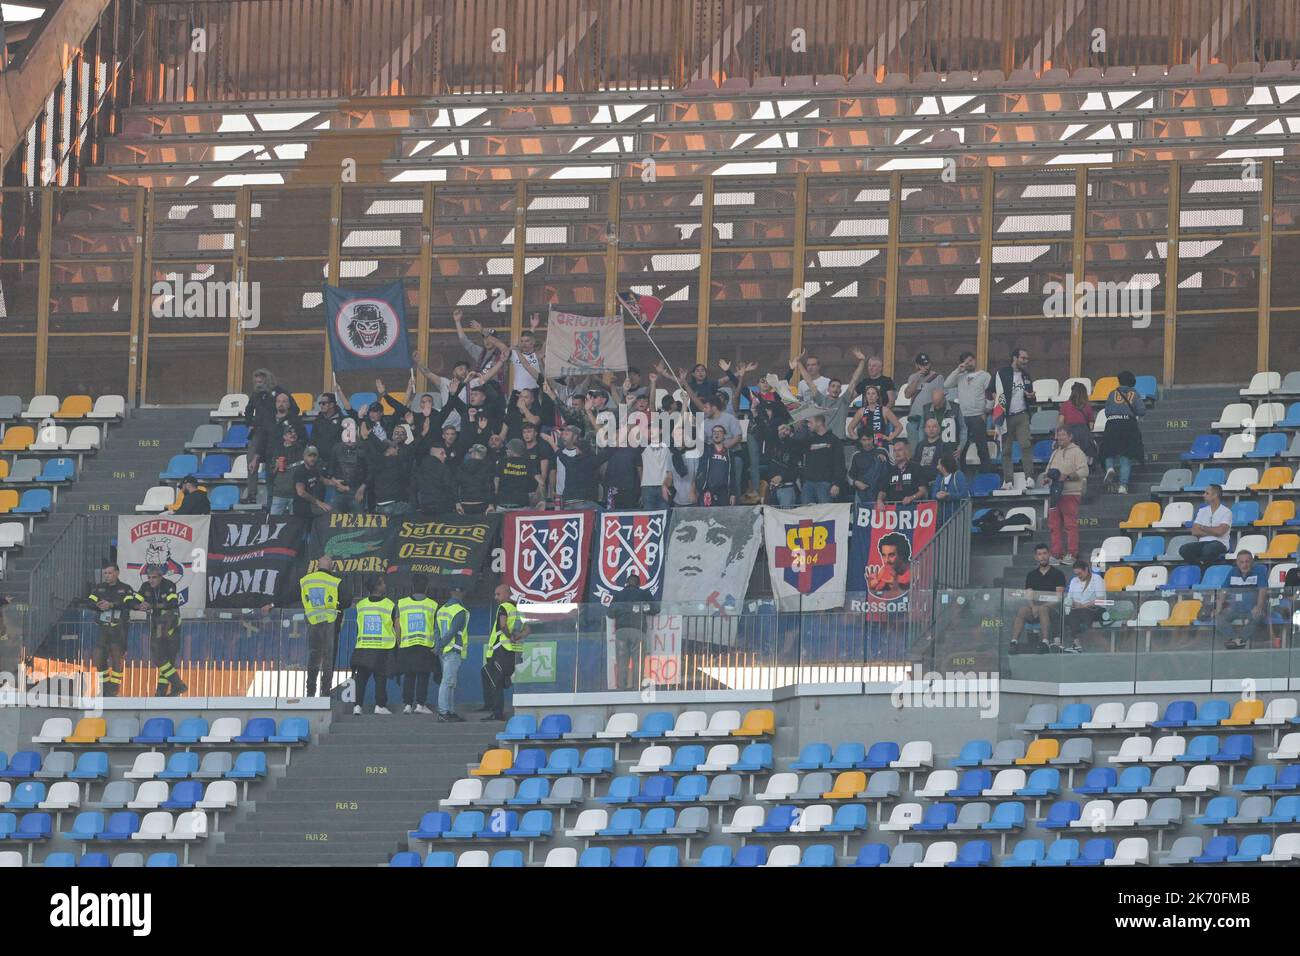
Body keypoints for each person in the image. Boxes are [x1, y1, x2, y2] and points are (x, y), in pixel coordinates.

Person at [87, 563, 142, 697]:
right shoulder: (99, 588)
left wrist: (111, 605)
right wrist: (99, 606)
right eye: (105, 573)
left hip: (119, 629)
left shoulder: (125, 588)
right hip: (103, 629)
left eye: (110, 573)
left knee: (117, 660)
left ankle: (114, 689)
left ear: (117, 573)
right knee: (99, 658)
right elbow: (89, 602)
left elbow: (129, 603)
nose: (107, 576)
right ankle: (105, 687)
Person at [299, 555, 347, 698]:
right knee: (328, 658)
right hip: (330, 623)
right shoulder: (335, 581)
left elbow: (293, 595)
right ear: (331, 566)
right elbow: (347, 599)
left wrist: (272, 604)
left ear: (317, 565)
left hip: (313, 623)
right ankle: (325, 693)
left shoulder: (305, 581)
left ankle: (310, 692)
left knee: (313, 658)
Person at [242, 369, 293, 503]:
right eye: (256, 382)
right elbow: (248, 410)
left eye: (261, 381)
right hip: (258, 431)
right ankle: (252, 495)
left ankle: (276, 495)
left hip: (275, 432)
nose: (258, 384)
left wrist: (283, 420)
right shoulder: (255, 394)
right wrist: (249, 423)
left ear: (267, 380)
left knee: (276, 463)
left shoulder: (279, 392)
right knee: (251, 462)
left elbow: (294, 408)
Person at [1042, 426, 1089, 565]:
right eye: (1059, 435)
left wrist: (1068, 476)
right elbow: (1048, 471)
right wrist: (1047, 478)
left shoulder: (1077, 452)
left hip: (1070, 493)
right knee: (1054, 525)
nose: (1060, 438)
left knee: (1070, 524)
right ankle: (1056, 554)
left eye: (1063, 435)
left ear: (1070, 437)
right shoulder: (1055, 453)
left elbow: (1085, 470)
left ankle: (1072, 554)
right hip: (1055, 493)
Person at [481, 584, 528, 721]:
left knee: (496, 681)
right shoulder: (519, 609)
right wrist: (518, 636)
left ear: (507, 593)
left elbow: (503, 625)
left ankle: (497, 713)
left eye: (498, 594)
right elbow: (528, 629)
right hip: (514, 653)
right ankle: (490, 705)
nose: (496, 597)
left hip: (502, 650)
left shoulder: (503, 607)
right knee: (485, 673)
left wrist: (510, 636)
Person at [137, 568, 187, 696]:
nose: (151, 580)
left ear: (161, 577)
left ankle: (166, 690)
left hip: (172, 626)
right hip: (156, 625)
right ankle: (173, 687)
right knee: (161, 659)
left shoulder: (169, 585)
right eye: (149, 577)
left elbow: (172, 603)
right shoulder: (145, 586)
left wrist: (151, 606)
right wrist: (139, 605)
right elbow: (136, 599)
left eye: (154, 577)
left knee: (164, 659)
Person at [1009, 544, 1067, 653]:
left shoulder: (1058, 574)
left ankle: (1045, 642)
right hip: (1035, 609)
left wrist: (1041, 606)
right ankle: (1014, 642)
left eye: (1045, 553)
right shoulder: (1031, 575)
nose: (1043, 556)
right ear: (1036, 557)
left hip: (1052, 609)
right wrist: (1032, 606)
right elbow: (1029, 595)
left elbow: (1059, 598)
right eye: (1039, 554)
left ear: (1049, 554)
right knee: (1022, 610)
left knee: (1042, 609)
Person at [396, 574, 440, 714]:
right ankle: (420, 705)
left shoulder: (402, 603)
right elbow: (436, 627)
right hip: (425, 646)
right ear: (426, 587)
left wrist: (399, 643)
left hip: (406, 644)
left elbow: (397, 626)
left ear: (412, 586)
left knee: (409, 675)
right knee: (423, 675)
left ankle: (407, 705)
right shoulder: (433, 605)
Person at [351, 577, 396, 715]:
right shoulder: (389, 604)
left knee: (361, 679)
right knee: (380, 678)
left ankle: (357, 706)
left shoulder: (361, 604)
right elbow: (396, 625)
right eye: (383, 583)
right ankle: (380, 706)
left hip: (363, 647)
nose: (385, 585)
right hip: (382, 647)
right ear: (378, 587)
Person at [993, 347, 1037, 489]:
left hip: (1022, 415)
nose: (1026, 361)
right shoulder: (1001, 373)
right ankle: (1008, 481)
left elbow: (1031, 398)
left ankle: (1029, 478)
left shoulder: (1026, 376)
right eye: (1023, 358)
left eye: (1027, 359)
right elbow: (990, 391)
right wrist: (997, 401)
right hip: (1005, 417)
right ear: (1014, 358)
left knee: (1026, 445)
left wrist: (1031, 397)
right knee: (1006, 450)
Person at [1099, 370, 1146, 495]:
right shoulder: (1134, 394)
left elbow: (1107, 411)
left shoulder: (1112, 393)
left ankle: (1109, 467)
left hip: (1112, 424)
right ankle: (1123, 486)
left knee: (1108, 450)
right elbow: (1141, 410)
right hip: (1128, 425)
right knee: (1126, 456)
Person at [946, 352, 993, 472]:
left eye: (971, 360)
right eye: (966, 362)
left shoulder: (984, 376)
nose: (970, 363)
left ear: (975, 360)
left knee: (981, 448)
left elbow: (990, 394)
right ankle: (961, 474)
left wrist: (986, 412)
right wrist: (958, 370)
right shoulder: (960, 376)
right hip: (962, 417)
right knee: (961, 449)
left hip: (978, 416)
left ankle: (986, 475)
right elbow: (946, 384)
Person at [607, 573, 655, 690]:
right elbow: (655, 609)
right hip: (638, 630)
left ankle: (621, 688)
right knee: (638, 661)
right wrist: (642, 608)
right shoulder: (644, 593)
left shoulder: (618, 595)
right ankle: (636, 687)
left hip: (621, 631)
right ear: (638, 584)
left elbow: (610, 614)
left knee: (622, 662)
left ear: (626, 583)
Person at [1217, 550, 1269, 650]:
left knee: (1258, 616)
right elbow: (1224, 590)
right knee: (1218, 617)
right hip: (1235, 608)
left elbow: (1263, 590)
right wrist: (1219, 607)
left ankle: (1241, 640)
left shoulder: (1259, 571)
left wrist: (1258, 606)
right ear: (1237, 563)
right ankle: (1234, 639)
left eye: (1247, 561)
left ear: (1252, 562)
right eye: (1241, 562)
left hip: (1253, 608)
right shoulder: (1232, 571)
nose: (1244, 565)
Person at [435, 584, 470, 721]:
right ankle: (444, 712)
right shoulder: (460, 610)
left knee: (449, 682)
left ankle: (449, 711)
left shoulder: (441, 609)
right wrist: (440, 646)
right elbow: (453, 632)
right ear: (462, 592)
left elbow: (437, 630)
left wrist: (439, 646)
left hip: (443, 651)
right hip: (453, 649)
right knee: (447, 682)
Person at [793, 415, 845, 504]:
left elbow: (839, 464)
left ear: (819, 423)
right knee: (806, 515)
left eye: (810, 422)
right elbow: (795, 445)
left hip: (825, 484)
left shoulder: (834, 440)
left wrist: (836, 483)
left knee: (825, 514)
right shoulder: (808, 439)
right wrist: (799, 427)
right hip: (808, 484)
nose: (808, 425)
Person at [1180, 484, 1232, 565]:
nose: (1204, 495)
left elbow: (1220, 532)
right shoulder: (1202, 511)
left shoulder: (1226, 512)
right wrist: (1214, 531)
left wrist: (1202, 527)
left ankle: (1203, 568)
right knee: (1184, 549)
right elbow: (1194, 531)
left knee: (1209, 549)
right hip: (1203, 543)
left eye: (1207, 493)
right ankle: (1200, 565)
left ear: (1215, 495)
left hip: (1220, 543)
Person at [1062, 558, 1104, 652]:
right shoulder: (1074, 581)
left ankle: (1077, 643)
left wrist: (1084, 605)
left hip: (1095, 609)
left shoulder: (1097, 579)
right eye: (1076, 574)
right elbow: (1069, 598)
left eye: (1080, 574)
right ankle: (1075, 643)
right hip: (1077, 610)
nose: (1078, 576)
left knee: (1077, 613)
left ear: (1086, 569)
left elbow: (1101, 600)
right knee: (1069, 614)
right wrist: (1074, 603)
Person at [901, 352, 942, 443]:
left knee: (925, 447)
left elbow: (941, 399)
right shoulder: (913, 377)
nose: (925, 367)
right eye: (922, 365)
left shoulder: (938, 377)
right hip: (914, 417)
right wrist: (917, 378)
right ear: (917, 365)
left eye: (927, 364)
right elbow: (907, 395)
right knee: (914, 449)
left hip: (928, 418)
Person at [879, 437, 932, 506]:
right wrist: (879, 500)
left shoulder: (916, 468)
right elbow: (883, 491)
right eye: (894, 451)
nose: (897, 453)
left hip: (913, 508)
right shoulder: (890, 470)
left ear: (906, 451)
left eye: (900, 450)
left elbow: (923, 491)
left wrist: (911, 498)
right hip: (893, 510)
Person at [847, 384, 903, 449]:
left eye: (873, 393)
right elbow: (850, 428)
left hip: (880, 447)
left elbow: (899, 427)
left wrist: (889, 438)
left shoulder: (885, 410)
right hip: (865, 447)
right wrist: (858, 439)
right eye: (868, 394)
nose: (871, 396)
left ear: (877, 396)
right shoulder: (861, 411)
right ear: (866, 396)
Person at [267, 424, 305, 515]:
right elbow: (270, 475)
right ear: (284, 436)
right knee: (273, 522)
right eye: (289, 433)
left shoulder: (302, 449)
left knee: (296, 523)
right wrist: (276, 466)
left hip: (296, 494)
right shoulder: (277, 450)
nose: (293, 434)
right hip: (279, 493)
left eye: (294, 432)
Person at [1057, 381, 1097, 462]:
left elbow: (1061, 421)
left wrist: (1058, 434)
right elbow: (1091, 426)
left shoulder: (1065, 404)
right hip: (1083, 434)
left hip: (1069, 433)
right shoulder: (1087, 405)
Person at [848, 432, 889, 505]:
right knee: (858, 515)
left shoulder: (882, 451)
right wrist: (856, 483)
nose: (867, 442)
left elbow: (894, 467)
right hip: (861, 494)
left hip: (880, 493)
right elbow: (849, 476)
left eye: (869, 439)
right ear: (860, 440)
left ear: (873, 439)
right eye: (864, 440)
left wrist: (885, 459)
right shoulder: (856, 455)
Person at [292, 446, 329, 516]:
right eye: (309, 456)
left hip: (312, 506)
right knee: (329, 513)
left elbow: (324, 480)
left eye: (314, 456)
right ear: (304, 457)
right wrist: (318, 503)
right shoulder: (300, 471)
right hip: (303, 507)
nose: (312, 458)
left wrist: (338, 484)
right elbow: (301, 492)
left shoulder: (314, 470)